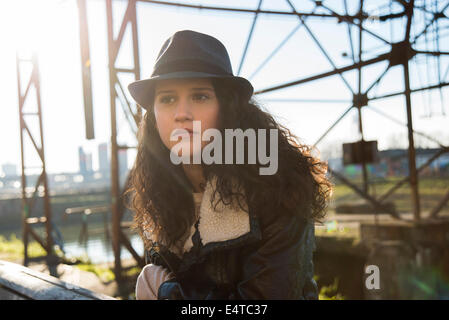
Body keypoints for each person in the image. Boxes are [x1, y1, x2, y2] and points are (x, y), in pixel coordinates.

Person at [125, 30, 333, 300]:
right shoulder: (160, 192)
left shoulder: (280, 186)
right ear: (153, 115)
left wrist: (165, 292)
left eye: (200, 96)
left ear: (228, 107)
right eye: (167, 99)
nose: (182, 114)